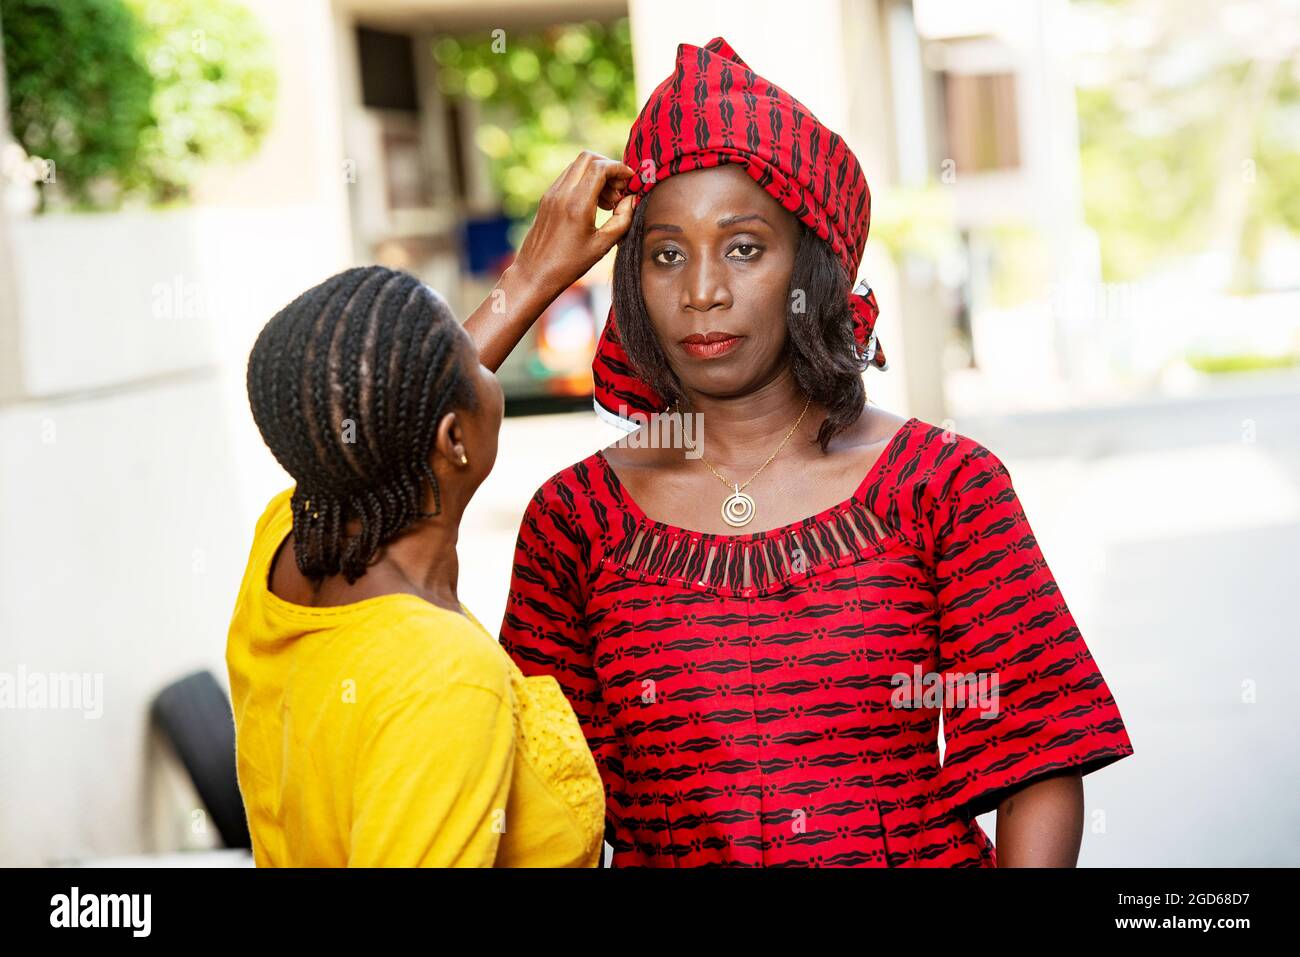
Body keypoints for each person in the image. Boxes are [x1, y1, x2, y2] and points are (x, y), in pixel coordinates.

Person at [499, 36, 1135, 867]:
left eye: (744, 247)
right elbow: (530, 800)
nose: (702, 291)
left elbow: (1037, 758)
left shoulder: (944, 486)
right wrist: (528, 284)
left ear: (814, 264)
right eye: (664, 255)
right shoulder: (574, 522)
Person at [226, 150, 637, 866]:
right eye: (470, 361)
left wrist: (535, 274)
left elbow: (376, 403)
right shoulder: (443, 678)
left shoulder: (288, 541)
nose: (487, 362)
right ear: (451, 437)